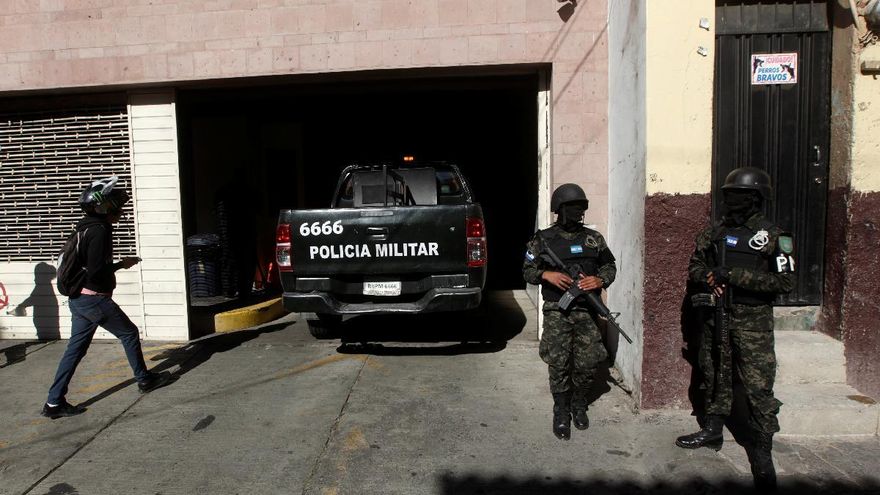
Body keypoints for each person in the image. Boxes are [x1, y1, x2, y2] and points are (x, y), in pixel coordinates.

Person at [675, 167, 795, 491]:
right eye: (729, 194)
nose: (732, 200)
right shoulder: (714, 232)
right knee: (714, 373)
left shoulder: (774, 236)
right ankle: (712, 429)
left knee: (758, 388)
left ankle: (762, 452)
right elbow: (695, 266)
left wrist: (733, 276)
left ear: (756, 198)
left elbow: (784, 282)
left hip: (753, 323)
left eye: (739, 195)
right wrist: (709, 277)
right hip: (717, 315)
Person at [42, 176, 171, 419]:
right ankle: (145, 380)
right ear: (102, 207)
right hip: (94, 300)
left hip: (79, 300)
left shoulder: (84, 227)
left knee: (75, 350)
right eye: (115, 205)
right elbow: (96, 271)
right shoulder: (99, 230)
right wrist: (122, 264)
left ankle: (53, 403)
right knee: (129, 333)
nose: (120, 209)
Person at [522, 183, 616, 440]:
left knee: (589, 361)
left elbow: (609, 266)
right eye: (573, 207)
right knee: (558, 362)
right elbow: (527, 270)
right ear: (560, 209)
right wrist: (546, 275)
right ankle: (561, 410)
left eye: (581, 207)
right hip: (557, 311)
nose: (578, 212)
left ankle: (579, 403)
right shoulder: (542, 239)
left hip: (587, 310)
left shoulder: (593, 239)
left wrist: (599, 280)